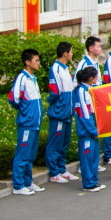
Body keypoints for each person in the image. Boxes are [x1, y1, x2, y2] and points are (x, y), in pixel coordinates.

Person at [9, 49, 45, 196]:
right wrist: (25, 113)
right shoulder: (22, 78)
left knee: (30, 155)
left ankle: (27, 181)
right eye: (36, 60)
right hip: (26, 124)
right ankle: (18, 185)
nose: (38, 63)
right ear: (27, 62)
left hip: (34, 123)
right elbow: (13, 98)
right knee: (22, 154)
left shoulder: (32, 78)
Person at [45, 42, 79, 184]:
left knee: (64, 142)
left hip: (67, 113)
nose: (72, 54)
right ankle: (54, 172)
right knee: (55, 143)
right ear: (65, 54)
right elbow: (54, 91)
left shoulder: (65, 69)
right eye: (71, 52)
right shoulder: (55, 69)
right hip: (59, 113)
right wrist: (57, 105)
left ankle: (62, 168)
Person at [73, 66, 105, 192]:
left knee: (94, 157)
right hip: (86, 131)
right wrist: (92, 130)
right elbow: (83, 114)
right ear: (91, 78)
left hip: (92, 128)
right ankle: (88, 183)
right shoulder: (81, 91)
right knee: (87, 158)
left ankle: (93, 180)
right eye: (96, 76)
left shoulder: (89, 90)